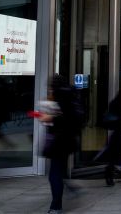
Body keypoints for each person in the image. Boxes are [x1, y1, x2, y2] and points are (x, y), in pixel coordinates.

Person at [40, 75, 81, 214]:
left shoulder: (61, 97)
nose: (49, 90)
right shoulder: (70, 95)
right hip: (67, 140)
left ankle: (56, 206)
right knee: (59, 170)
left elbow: (65, 119)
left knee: (54, 174)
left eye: (50, 87)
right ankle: (70, 189)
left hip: (60, 141)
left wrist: (50, 117)